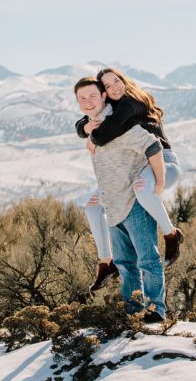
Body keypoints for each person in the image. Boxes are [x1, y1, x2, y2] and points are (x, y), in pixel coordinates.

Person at [76, 67, 183, 292]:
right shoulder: (112, 107)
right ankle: (106, 262)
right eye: (107, 86)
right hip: (138, 167)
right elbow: (84, 123)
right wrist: (85, 127)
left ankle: (171, 234)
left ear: (123, 80)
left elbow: (104, 133)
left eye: (116, 81)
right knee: (93, 207)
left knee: (143, 192)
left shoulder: (129, 103)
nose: (114, 87)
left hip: (162, 160)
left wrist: (92, 135)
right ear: (103, 93)